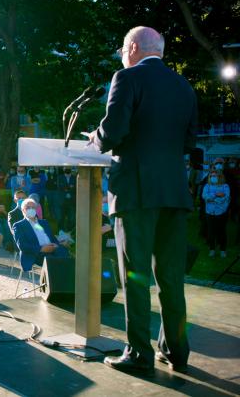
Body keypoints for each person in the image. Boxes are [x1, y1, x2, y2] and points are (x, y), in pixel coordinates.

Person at [86, 27, 197, 375]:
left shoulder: (126, 77)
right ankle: (176, 350)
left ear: (133, 47)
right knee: (171, 277)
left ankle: (138, 353)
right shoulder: (184, 86)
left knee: (134, 275)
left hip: (135, 192)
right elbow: (188, 141)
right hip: (174, 194)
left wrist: (95, 139)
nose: (121, 53)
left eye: (122, 48)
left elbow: (114, 131)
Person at [12, 199, 70, 271]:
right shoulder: (19, 225)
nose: (31, 209)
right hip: (36, 253)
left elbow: (52, 238)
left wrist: (58, 244)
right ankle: (52, 281)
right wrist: (41, 249)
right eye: (28, 208)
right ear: (23, 210)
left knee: (66, 255)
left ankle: (67, 279)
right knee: (54, 261)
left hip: (52, 249)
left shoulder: (43, 222)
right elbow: (22, 246)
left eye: (33, 207)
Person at [202, 170, 230, 258]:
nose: (213, 177)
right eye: (211, 176)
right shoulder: (207, 186)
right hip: (209, 212)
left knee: (221, 231)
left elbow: (225, 198)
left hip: (221, 213)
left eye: (215, 176)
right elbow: (205, 196)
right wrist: (216, 195)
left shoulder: (225, 186)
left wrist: (211, 198)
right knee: (211, 232)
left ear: (220, 177)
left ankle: (222, 250)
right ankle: (212, 249)